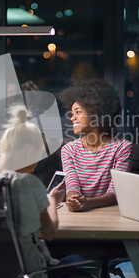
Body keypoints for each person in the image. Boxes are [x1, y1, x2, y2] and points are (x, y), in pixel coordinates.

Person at [0, 105, 96, 278]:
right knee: (89, 271)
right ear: (31, 150)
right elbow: (49, 232)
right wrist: (51, 201)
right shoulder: (27, 183)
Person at [57, 79, 133, 212]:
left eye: (78, 112)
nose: (72, 117)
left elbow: (115, 193)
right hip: (80, 215)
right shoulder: (68, 150)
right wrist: (73, 199)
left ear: (96, 113)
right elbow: (72, 184)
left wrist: (89, 203)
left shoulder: (122, 148)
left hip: (111, 216)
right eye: (72, 113)